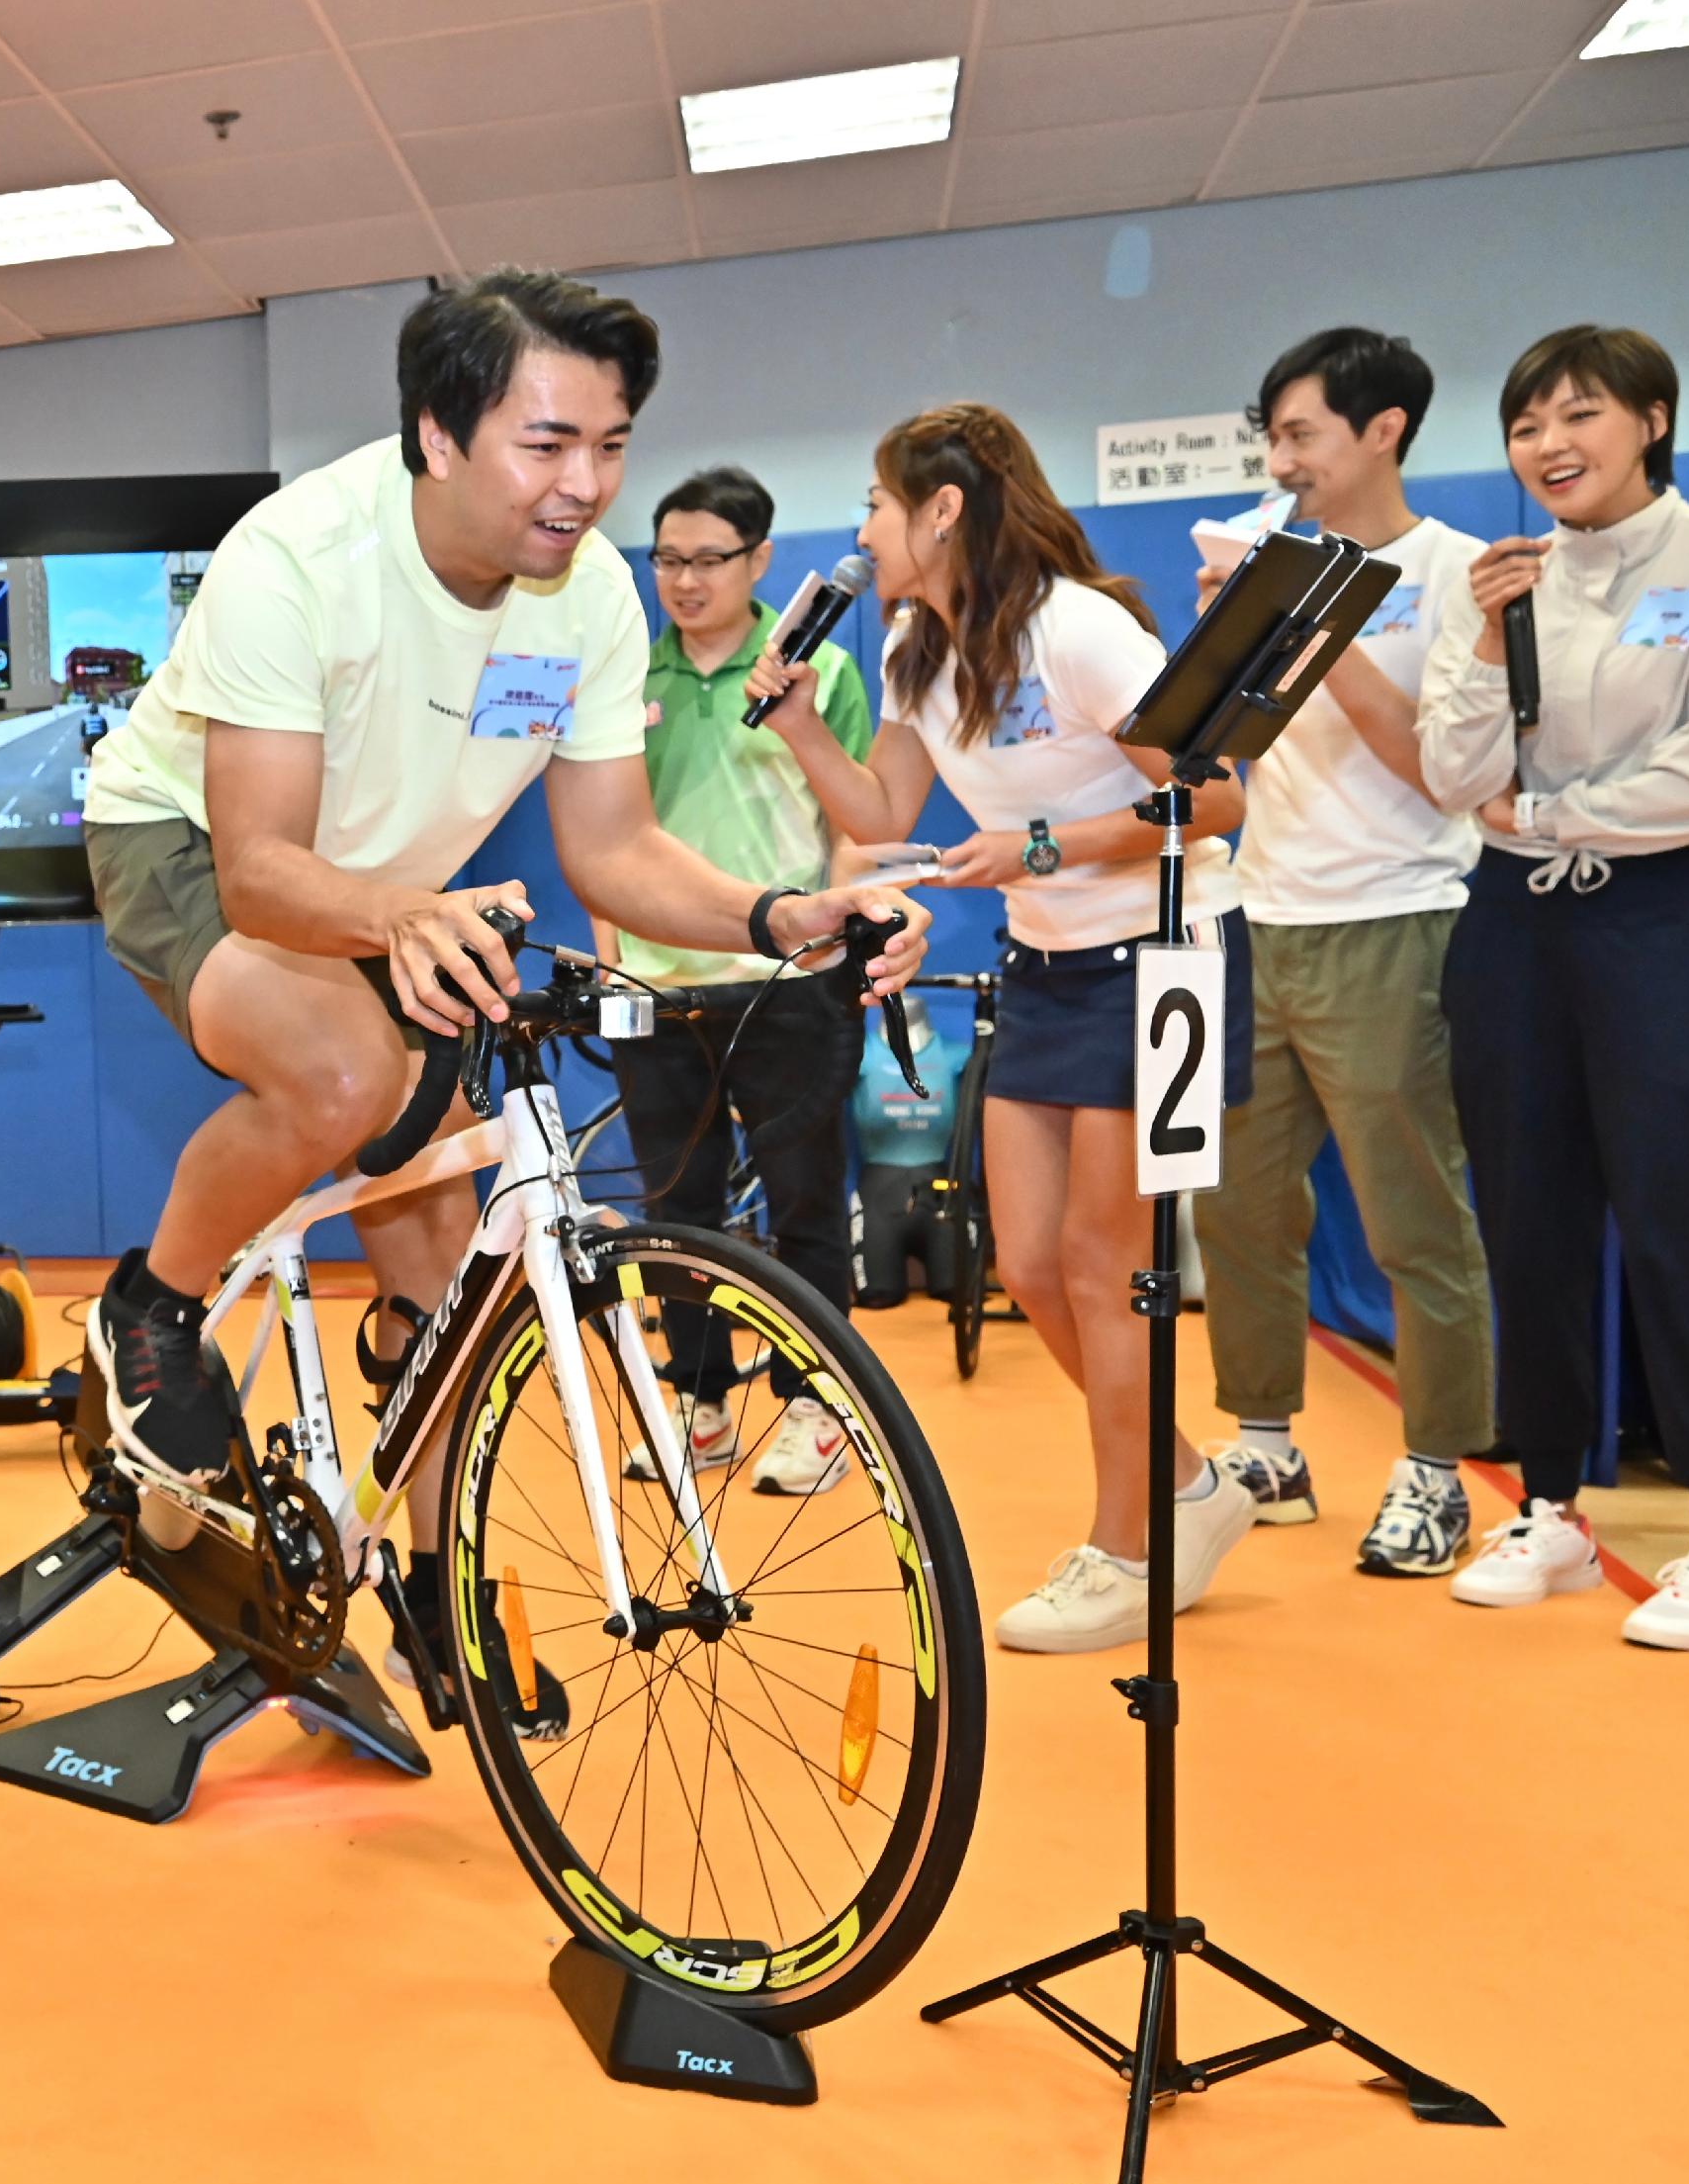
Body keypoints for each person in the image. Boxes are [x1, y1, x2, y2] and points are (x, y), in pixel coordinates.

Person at [74, 270, 928, 1665]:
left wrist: (782, 914)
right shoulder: (297, 559)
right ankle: (153, 1307)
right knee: (349, 1069)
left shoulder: (583, 598)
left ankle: (428, 1586)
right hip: (193, 842)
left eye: (611, 445)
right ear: (438, 434)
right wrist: (397, 917)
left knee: (454, 1226)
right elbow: (261, 870)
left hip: (395, 887)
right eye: (548, 443)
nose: (586, 484)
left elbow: (616, 849)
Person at [755, 404, 1258, 1657]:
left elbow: (1215, 791)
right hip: (1047, 964)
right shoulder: (916, 649)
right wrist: (800, 718)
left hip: (1163, 954)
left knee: (1104, 1267)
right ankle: (1189, 1487)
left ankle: (1130, 1549)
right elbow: (882, 809)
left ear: (941, 509)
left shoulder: (1080, 629)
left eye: (879, 502)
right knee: (1028, 1262)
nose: (862, 531)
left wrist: (1041, 844)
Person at [1422, 325, 1689, 1651]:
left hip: (1667, 926)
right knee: (1525, 1220)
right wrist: (1480, 636)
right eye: (1527, 425)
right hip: (1512, 929)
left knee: (1679, 1216)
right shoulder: (1504, 578)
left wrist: (1542, 812)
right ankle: (1552, 1508)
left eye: (1578, 415)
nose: (1548, 446)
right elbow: (1447, 764)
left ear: (1650, 419)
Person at [1191, 330, 1496, 1576]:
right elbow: (1208, 755)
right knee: (1240, 1205)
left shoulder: (1461, 571)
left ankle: (1438, 1467)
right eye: (1270, 436)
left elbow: (1440, 769)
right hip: (1260, 912)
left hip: (1399, 915)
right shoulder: (1278, 567)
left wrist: (1308, 620)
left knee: (1410, 1214)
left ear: (1384, 431)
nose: (1282, 459)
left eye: (1301, 432)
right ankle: (1266, 1442)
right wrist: (1226, 637)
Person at [592, 464, 873, 1493]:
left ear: (759, 560)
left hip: (788, 980)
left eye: (708, 558)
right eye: (666, 558)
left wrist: (836, 940)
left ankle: (818, 1408)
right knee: (677, 1212)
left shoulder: (817, 674)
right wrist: (612, 959)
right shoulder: (627, 678)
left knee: (805, 1201)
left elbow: (857, 820)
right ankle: (698, 1406)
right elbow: (606, 839)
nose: (683, 578)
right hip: (658, 988)